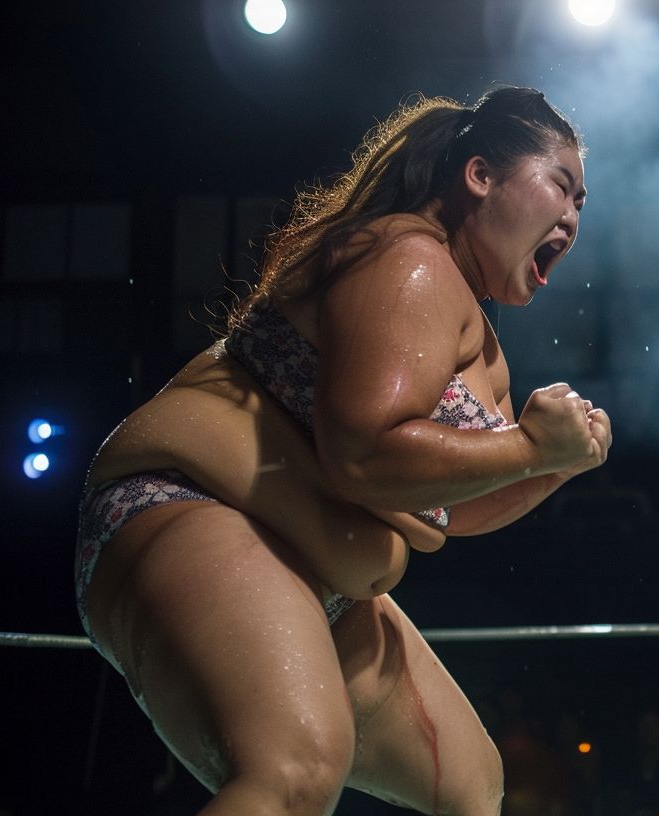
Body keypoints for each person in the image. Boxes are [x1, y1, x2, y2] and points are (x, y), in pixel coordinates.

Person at [77, 86, 611, 814]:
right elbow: (365, 454)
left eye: (583, 202)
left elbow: (451, 505)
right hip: (186, 504)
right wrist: (528, 446)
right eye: (562, 185)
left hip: (310, 564)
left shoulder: (484, 346)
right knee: (294, 770)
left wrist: (553, 462)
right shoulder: (408, 257)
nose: (574, 216)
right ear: (481, 176)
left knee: (471, 789)